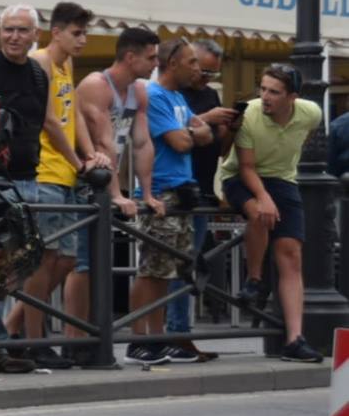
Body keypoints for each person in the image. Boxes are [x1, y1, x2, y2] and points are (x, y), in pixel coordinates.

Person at [4, 2, 109, 368]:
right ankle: (35, 341)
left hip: (64, 174)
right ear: (56, 32)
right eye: (76, 33)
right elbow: (49, 120)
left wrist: (90, 152)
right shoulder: (42, 61)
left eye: (84, 33)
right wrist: (78, 161)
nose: (82, 40)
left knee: (64, 260)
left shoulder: (66, 63)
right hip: (45, 172)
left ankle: (13, 326)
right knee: (45, 260)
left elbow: (74, 112)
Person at [217, 63, 324, 363]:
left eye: (274, 92)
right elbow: (247, 167)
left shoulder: (311, 113)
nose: (265, 97)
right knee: (259, 213)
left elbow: (303, 136)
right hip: (240, 176)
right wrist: (263, 197)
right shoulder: (250, 114)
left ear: (292, 96)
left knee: (291, 254)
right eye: (262, 89)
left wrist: (277, 182)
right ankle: (254, 279)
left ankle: (294, 338)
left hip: (282, 178)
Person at [72, 26, 163, 365]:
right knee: (79, 264)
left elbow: (141, 143)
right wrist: (114, 194)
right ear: (130, 56)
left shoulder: (139, 90)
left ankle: (82, 340)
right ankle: (75, 341)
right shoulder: (98, 85)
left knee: (89, 264)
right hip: (82, 181)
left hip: (106, 183)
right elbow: (102, 142)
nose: (156, 63)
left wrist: (147, 194)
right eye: (151, 57)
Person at [0, 3, 49, 375]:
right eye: (8, 30)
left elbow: (36, 124)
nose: (14, 36)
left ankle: (0, 340)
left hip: (28, 180)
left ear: (36, 35)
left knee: (18, 267)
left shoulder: (37, 73)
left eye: (22, 30)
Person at [125, 38, 213, 366]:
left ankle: (157, 337)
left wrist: (197, 134)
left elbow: (204, 134)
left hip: (180, 192)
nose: (197, 68)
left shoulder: (177, 97)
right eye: (191, 61)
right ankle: (138, 340)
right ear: (172, 63)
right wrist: (195, 134)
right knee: (150, 269)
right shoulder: (157, 95)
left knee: (166, 272)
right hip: (160, 191)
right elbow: (181, 141)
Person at [168, 38, 236, 358]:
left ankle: (177, 333)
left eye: (211, 73)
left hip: (204, 187)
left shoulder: (209, 94)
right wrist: (206, 120)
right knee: (176, 263)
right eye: (199, 67)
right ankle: (172, 334)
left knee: (191, 262)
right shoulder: (172, 93)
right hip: (178, 189)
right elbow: (177, 138)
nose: (203, 76)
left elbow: (218, 149)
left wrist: (229, 129)